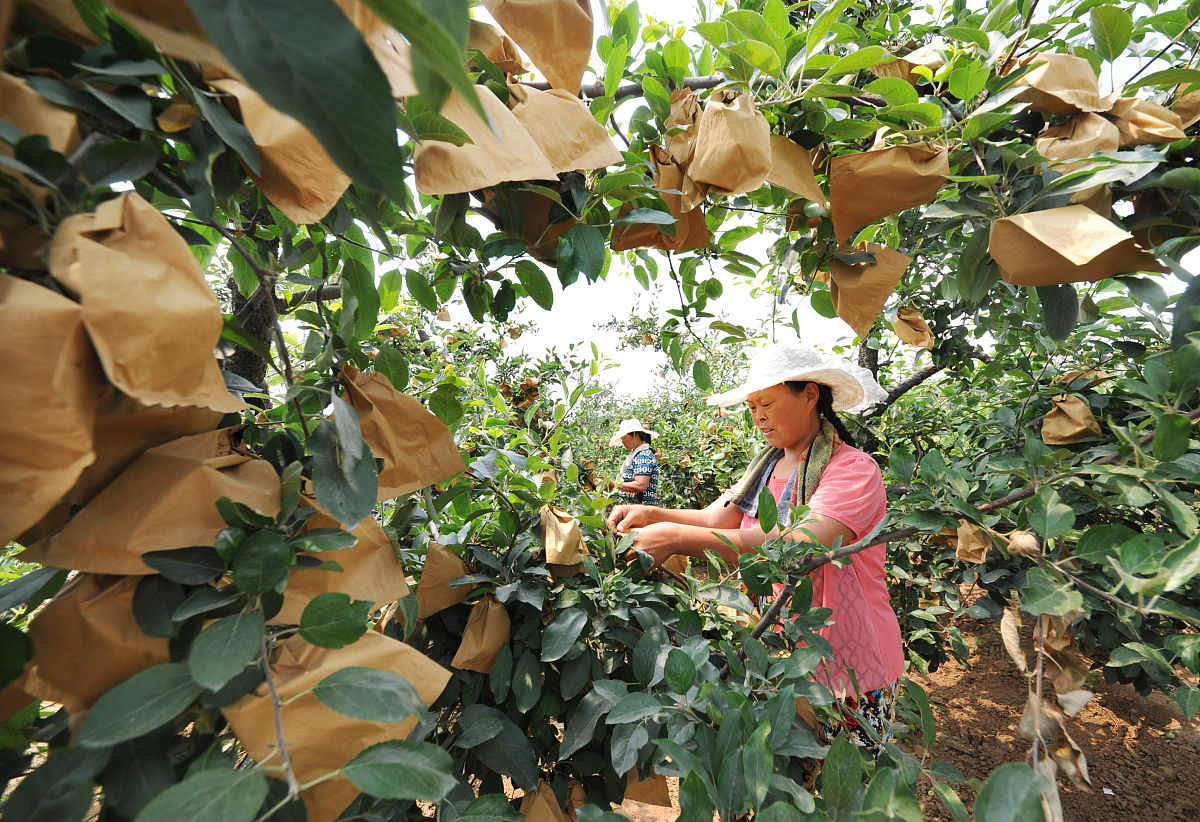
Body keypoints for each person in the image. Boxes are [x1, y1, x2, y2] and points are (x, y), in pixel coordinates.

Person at [606, 341, 904, 754]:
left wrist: (674, 538)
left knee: (849, 781)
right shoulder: (764, 468)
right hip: (777, 654)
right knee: (785, 775)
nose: (758, 415)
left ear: (810, 395)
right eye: (751, 406)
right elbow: (714, 519)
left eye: (767, 403)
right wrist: (650, 514)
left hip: (847, 667)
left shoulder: (853, 470)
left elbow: (798, 545)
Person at [607, 418, 659, 506]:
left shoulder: (644, 456)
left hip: (640, 510)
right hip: (632, 509)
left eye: (624, 438)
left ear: (635, 435)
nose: (623, 442)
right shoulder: (637, 455)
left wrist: (614, 484)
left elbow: (640, 485)